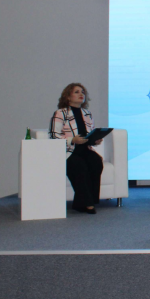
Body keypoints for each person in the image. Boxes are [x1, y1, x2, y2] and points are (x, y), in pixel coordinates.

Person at [49, 83, 103, 214]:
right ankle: (88, 203)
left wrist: (95, 140)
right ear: (68, 96)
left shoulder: (87, 113)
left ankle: (83, 202)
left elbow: (89, 133)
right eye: (77, 92)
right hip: (68, 151)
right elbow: (54, 135)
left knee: (96, 162)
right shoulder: (60, 113)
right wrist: (72, 140)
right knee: (79, 166)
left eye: (83, 92)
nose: (81, 94)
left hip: (85, 149)